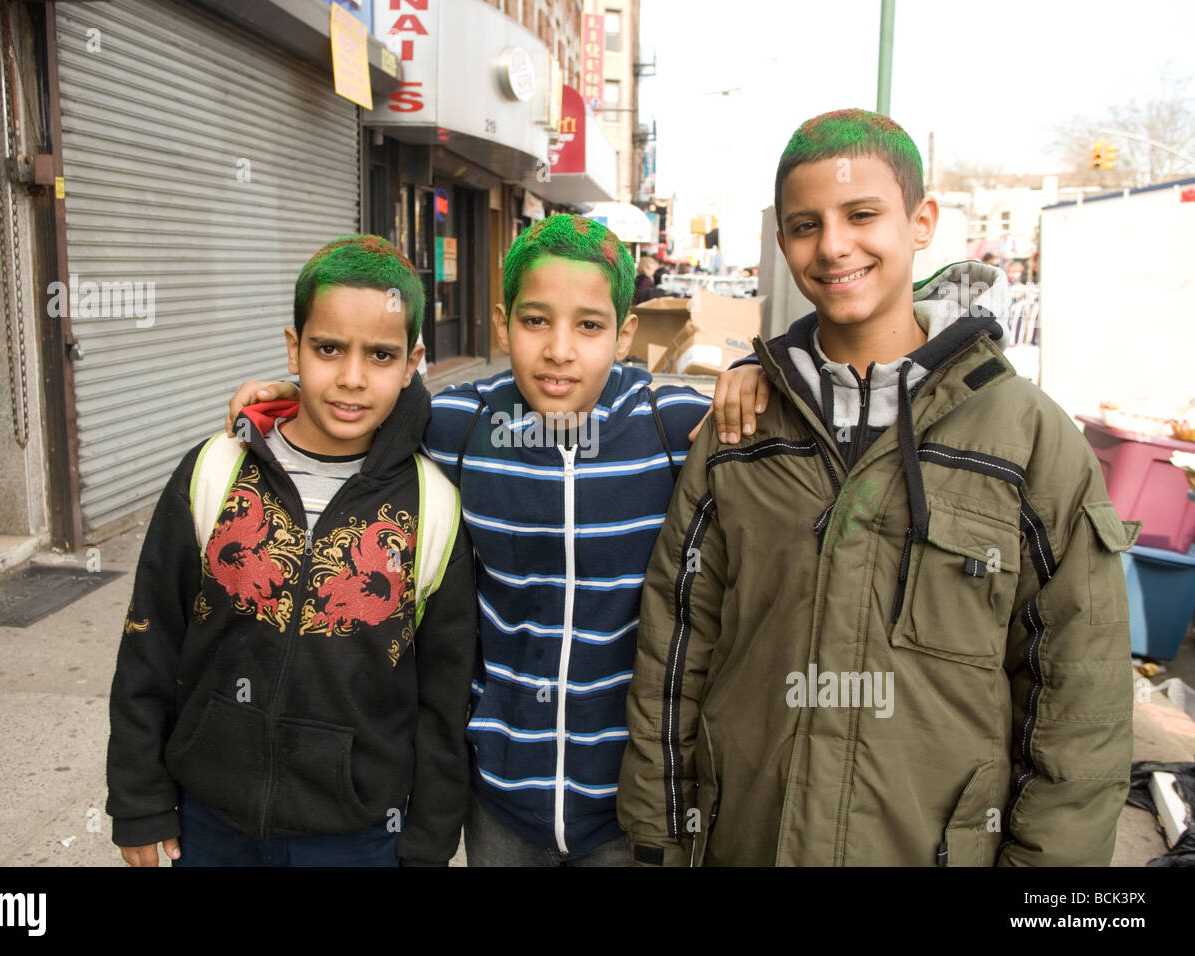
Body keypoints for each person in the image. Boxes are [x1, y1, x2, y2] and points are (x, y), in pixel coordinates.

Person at [618, 109, 1138, 867]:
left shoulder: (1026, 437)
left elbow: (1077, 689)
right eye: (805, 225)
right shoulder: (743, 427)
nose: (833, 246)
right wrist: (661, 835)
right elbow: (677, 643)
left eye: (862, 215)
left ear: (921, 221)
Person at [225, 215, 764, 866]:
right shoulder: (463, 423)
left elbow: (776, 422)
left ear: (624, 336)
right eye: (537, 321)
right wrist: (287, 397)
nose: (560, 349)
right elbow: (357, 396)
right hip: (501, 796)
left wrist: (754, 370)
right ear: (503, 324)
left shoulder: (670, 426)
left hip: (628, 803)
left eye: (589, 326)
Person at [106, 235, 478, 867]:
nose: (352, 378)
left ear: (414, 361)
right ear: (293, 346)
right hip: (207, 825)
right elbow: (150, 641)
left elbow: (444, 703)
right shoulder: (215, 469)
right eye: (328, 348)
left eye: (381, 355)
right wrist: (139, 801)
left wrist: (427, 846)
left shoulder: (434, 507)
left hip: (359, 837)